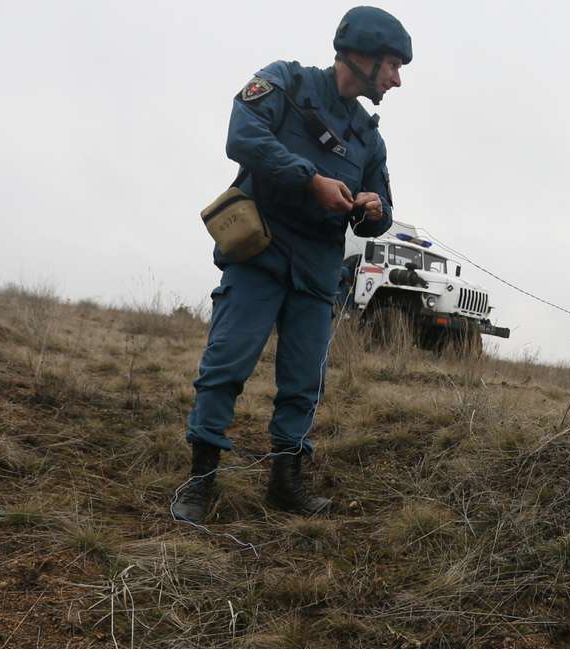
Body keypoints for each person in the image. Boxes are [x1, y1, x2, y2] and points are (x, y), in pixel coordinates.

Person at [173, 7, 411, 522]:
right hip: (259, 255)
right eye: (392, 65)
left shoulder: (370, 138)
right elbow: (242, 136)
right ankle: (200, 480)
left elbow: (383, 213)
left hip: (318, 269)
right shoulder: (286, 81)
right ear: (363, 55)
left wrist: (373, 212)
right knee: (225, 365)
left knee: (304, 382)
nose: (396, 79)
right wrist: (310, 180)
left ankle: (286, 483)